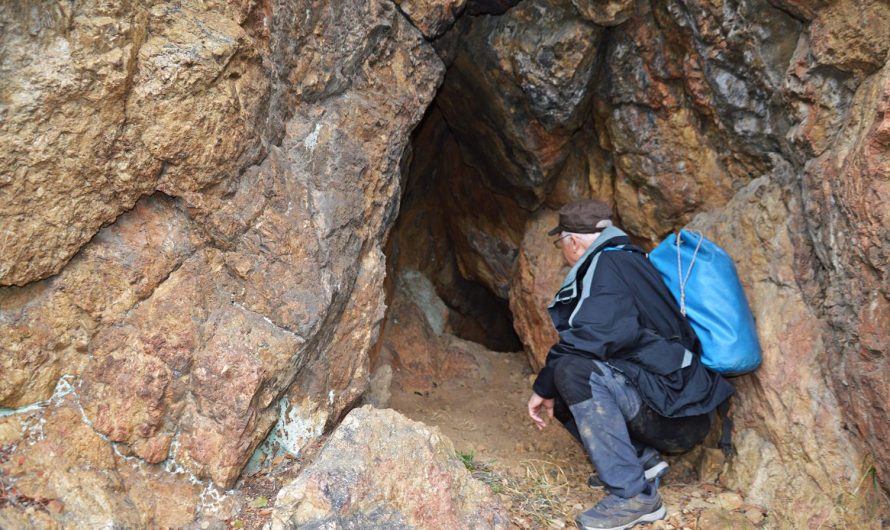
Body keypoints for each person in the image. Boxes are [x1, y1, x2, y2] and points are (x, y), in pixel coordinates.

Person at [527, 199, 734, 530]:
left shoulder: (606, 268)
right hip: (683, 408)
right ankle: (642, 462)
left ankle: (633, 497)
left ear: (575, 242)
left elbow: (591, 338)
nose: (562, 250)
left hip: (675, 417)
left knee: (571, 372)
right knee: (567, 372)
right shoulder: (631, 261)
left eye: (560, 242)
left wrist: (543, 386)